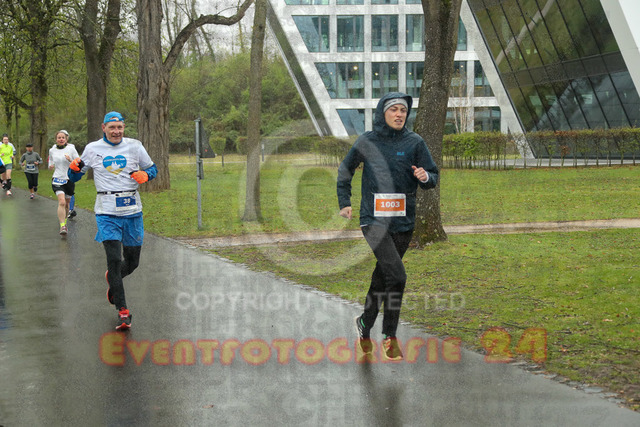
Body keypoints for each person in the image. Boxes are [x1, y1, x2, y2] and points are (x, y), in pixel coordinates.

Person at [337, 92, 439, 361]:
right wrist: (344, 202)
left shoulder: (415, 142)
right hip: (373, 220)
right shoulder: (367, 141)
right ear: (383, 113)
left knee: (383, 276)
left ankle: (364, 323)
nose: (399, 114)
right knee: (398, 275)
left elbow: (433, 176)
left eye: (403, 110)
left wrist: (425, 176)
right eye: (394, 109)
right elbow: (346, 169)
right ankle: (390, 335)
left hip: (403, 222)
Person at [68, 111, 157, 331]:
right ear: (104, 128)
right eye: (112, 127)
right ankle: (123, 311)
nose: (116, 131)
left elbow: (152, 168)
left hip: (132, 211)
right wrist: (73, 171)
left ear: (124, 127)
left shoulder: (135, 146)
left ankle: (113, 280)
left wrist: (146, 175)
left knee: (132, 262)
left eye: (119, 127)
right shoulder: (92, 149)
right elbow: (76, 174)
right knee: (114, 260)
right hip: (106, 212)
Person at [48, 130, 79, 235]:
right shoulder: (52, 150)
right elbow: (50, 162)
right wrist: (50, 166)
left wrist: (71, 160)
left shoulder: (71, 149)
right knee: (61, 202)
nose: (61, 139)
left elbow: (79, 163)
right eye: (59, 138)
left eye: (63, 138)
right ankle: (62, 226)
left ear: (66, 139)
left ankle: (64, 222)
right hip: (57, 178)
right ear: (56, 139)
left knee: (67, 204)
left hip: (69, 179)